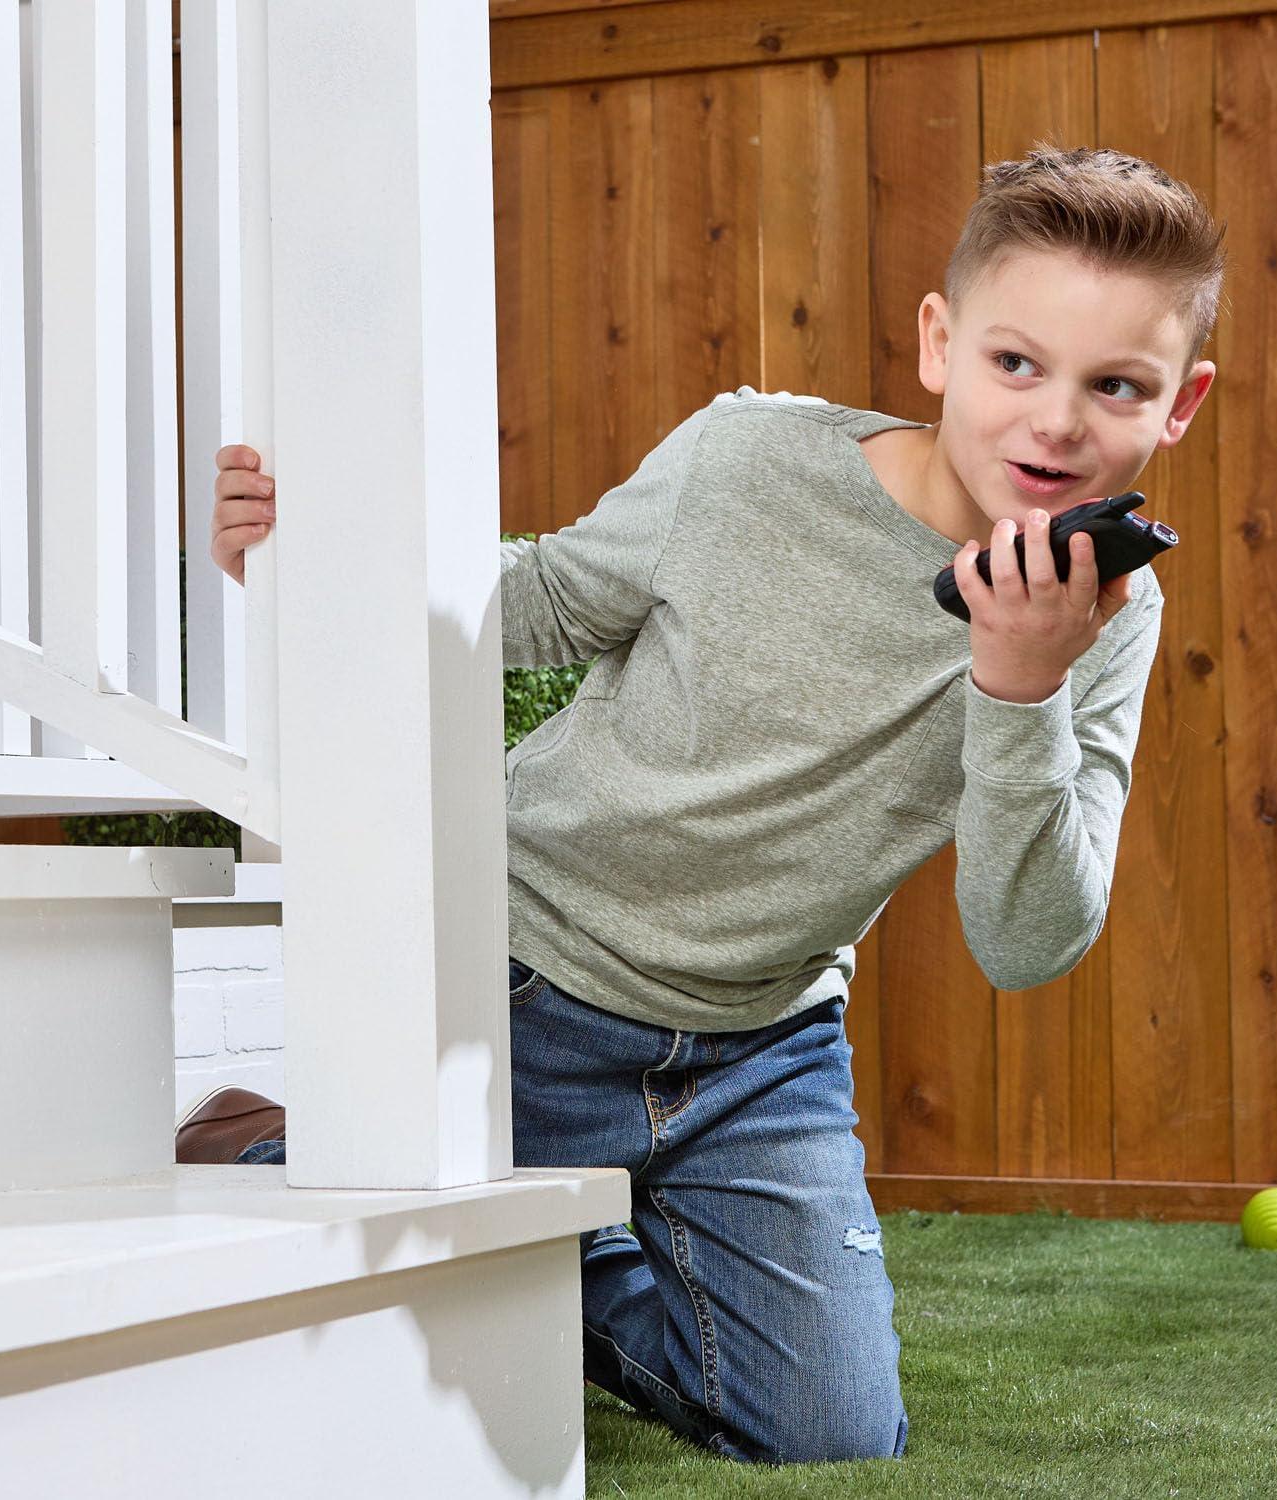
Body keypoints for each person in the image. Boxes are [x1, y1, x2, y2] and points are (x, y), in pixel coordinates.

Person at [196, 143, 1223, 1466]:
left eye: (1115, 386)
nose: (1056, 423)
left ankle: (544, 1238)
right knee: (316, 1320)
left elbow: (1025, 944)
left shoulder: (1107, 616)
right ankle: (265, 1152)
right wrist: (309, 553)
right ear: (939, 343)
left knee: (827, 1436)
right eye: (1014, 363)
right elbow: (534, 603)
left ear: (1178, 406)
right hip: (522, 981)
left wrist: (1018, 686)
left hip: (757, 1050)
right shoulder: (744, 464)